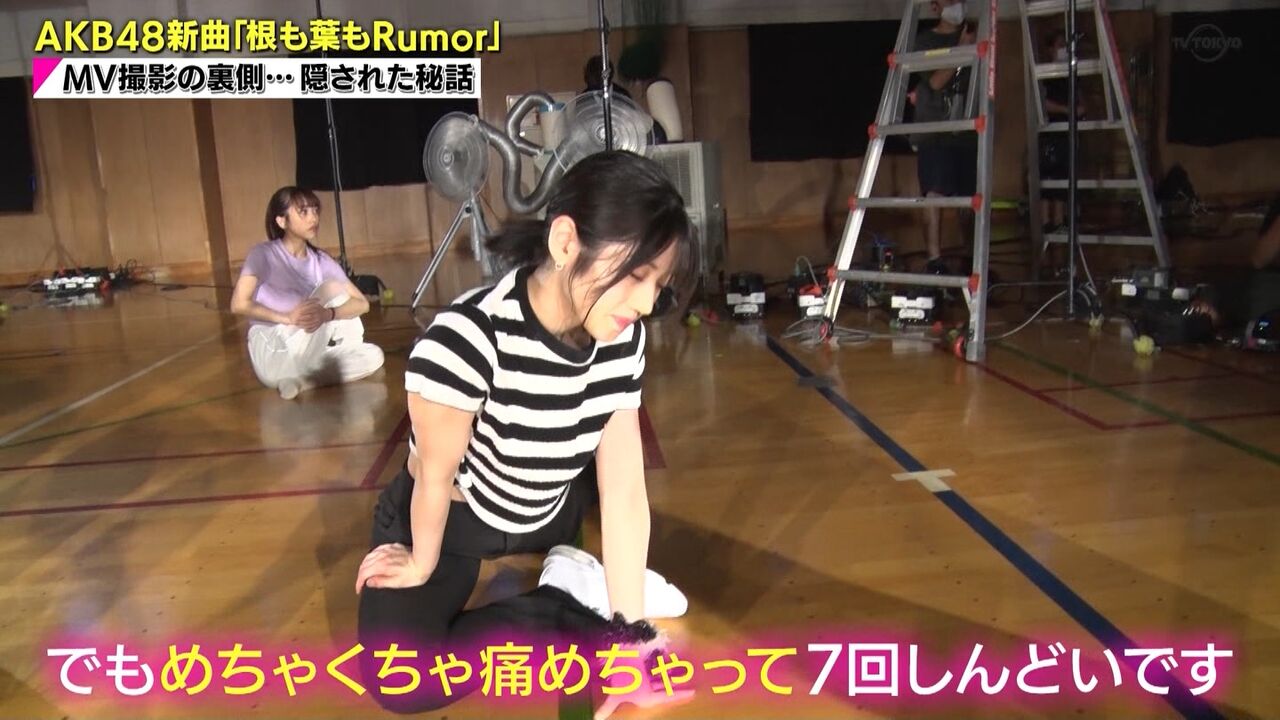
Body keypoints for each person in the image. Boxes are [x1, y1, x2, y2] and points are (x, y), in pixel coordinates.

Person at [354, 151, 697, 716]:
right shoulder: (468, 337)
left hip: (549, 502)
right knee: (401, 679)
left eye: (658, 283)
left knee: (607, 497)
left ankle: (597, 589)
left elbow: (624, 491)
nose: (645, 303)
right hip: (457, 516)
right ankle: (566, 603)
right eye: (636, 276)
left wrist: (632, 637)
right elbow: (434, 477)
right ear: (565, 242)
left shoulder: (621, 338)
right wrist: (419, 564)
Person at [230, 187, 385, 399]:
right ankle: (305, 373)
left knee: (374, 355)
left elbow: (362, 304)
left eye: (315, 210)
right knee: (331, 289)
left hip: (306, 353)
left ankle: (303, 383)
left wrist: (327, 314)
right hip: (273, 350)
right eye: (303, 212)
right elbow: (238, 304)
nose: (313, 217)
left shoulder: (321, 260)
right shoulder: (263, 254)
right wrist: (286, 318)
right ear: (281, 221)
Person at [912, 0, 978, 275]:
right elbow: (936, 81)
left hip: (966, 129)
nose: (956, 5)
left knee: (969, 197)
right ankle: (934, 259)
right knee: (934, 192)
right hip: (935, 129)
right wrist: (962, 49)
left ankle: (972, 256)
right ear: (935, 7)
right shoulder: (926, 41)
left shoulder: (973, 35)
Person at [1039, 30, 1085, 236]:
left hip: (1068, 133)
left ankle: (1059, 221)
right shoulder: (1044, 74)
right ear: (1050, 49)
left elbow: (1080, 99)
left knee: (1064, 174)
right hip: (1050, 132)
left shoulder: (1071, 75)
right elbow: (1043, 103)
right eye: (1060, 45)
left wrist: (1080, 108)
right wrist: (1067, 110)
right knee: (1048, 175)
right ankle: (1045, 222)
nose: (1064, 49)